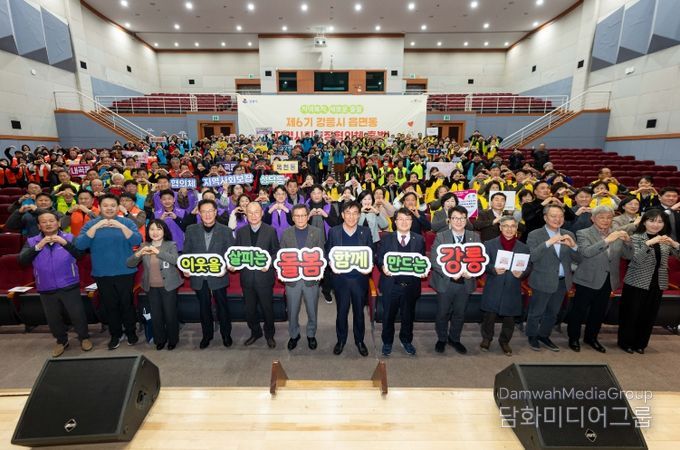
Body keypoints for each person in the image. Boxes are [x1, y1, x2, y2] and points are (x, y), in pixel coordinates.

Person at [18, 210, 92, 357]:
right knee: (53, 318)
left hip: (69, 284)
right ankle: (61, 341)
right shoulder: (32, 241)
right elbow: (22, 260)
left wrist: (65, 244)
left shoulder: (70, 237)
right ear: (39, 226)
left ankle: (84, 338)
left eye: (51, 221)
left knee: (77, 314)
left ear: (58, 223)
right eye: (44, 222)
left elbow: (80, 254)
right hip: (45, 286)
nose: (48, 224)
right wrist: (38, 246)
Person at [75, 194, 142, 350]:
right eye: (105, 205)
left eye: (113, 205)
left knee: (127, 304)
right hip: (102, 273)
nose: (109, 208)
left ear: (118, 207)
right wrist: (96, 227)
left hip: (125, 271)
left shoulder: (126, 222)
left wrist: (121, 226)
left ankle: (131, 332)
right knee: (110, 306)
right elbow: (80, 245)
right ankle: (115, 334)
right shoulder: (91, 224)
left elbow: (137, 241)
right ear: (99, 207)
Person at [568, 206, 632, 353]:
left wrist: (628, 242)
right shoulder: (583, 233)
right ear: (593, 219)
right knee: (579, 311)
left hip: (608, 279)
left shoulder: (616, 233)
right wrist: (606, 241)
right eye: (601, 217)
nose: (605, 220)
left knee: (599, 312)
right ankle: (573, 338)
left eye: (609, 217)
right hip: (587, 278)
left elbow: (628, 255)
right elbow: (586, 252)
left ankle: (591, 338)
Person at [618, 209, 680, 353]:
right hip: (636, 281)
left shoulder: (664, 239)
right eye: (652, 221)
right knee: (631, 314)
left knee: (648, 315)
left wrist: (675, 244)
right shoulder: (635, 238)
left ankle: (640, 344)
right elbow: (635, 260)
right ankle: (625, 343)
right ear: (644, 222)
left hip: (658, 282)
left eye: (660, 222)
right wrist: (648, 243)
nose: (656, 224)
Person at [525, 204, 582, 351]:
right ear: (545, 218)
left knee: (553, 313)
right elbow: (532, 257)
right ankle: (532, 335)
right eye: (553, 216)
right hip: (542, 280)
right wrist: (549, 242)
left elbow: (578, 259)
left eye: (561, 216)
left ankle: (544, 335)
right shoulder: (535, 234)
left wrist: (574, 246)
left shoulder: (569, 234)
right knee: (536, 312)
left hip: (562, 281)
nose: (558, 219)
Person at [182, 199, 235, 349]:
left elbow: (230, 254)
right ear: (199, 213)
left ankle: (226, 334)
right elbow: (186, 252)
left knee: (222, 306)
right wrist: (186, 267)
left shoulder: (225, 230)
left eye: (210, 211)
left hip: (219, 275)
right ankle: (207, 335)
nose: (207, 214)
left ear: (216, 212)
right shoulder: (191, 229)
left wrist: (227, 267)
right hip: (199, 277)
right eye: (204, 211)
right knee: (203, 307)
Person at [430, 205, 481, 354]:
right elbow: (435, 260)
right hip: (446, 282)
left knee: (460, 313)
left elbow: (479, 259)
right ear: (449, 220)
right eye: (455, 218)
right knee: (442, 313)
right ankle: (442, 339)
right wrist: (449, 273)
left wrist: (472, 272)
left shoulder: (474, 236)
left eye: (462, 218)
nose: (459, 221)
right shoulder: (441, 236)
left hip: (465, 282)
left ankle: (455, 339)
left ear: (466, 219)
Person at [325, 201, 374, 356]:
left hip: (359, 279)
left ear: (359, 215)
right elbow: (328, 252)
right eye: (348, 213)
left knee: (359, 312)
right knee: (342, 311)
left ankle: (360, 340)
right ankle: (341, 340)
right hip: (341, 279)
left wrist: (370, 264)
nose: (351, 216)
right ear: (342, 215)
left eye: (355, 213)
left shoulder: (365, 232)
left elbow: (371, 252)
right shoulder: (334, 231)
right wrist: (330, 263)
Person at [127, 219, 183, 351]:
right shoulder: (144, 245)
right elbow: (130, 263)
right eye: (152, 229)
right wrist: (139, 253)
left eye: (159, 229)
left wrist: (158, 252)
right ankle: (160, 339)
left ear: (164, 231)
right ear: (148, 232)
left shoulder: (171, 245)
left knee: (170, 314)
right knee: (156, 315)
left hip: (169, 285)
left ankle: (173, 339)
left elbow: (176, 260)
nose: (155, 232)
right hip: (151, 287)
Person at [377, 208, 426, 356]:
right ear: (395, 222)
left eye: (408, 219)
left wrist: (422, 270)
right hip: (391, 285)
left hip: (411, 285)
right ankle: (387, 342)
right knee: (388, 316)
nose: (404, 222)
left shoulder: (419, 239)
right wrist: (383, 266)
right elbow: (379, 258)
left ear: (412, 222)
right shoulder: (386, 238)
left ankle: (406, 340)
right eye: (401, 219)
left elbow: (421, 260)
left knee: (408, 316)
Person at [479, 216, 529, 356]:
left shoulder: (524, 247)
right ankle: (487, 339)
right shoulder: (489, 244)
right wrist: (492, 269)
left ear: (516, 228)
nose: (509, 229)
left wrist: (523, 273)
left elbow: (529, 266)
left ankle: (505, 341)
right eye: (506, 226)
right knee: (489, 316)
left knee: (510, 317)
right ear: (500, 227)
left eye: (513, 226)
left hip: (512, 286)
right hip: (494, 285)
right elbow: (482, 263)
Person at [279, 204, 325, 351]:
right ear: (292, 218)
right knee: (292, 310)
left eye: (303, 215)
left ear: (308, 216)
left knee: (312, 309)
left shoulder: (317, 232)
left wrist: (319, 273)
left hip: (311, 278)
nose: (300, 219)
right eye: (297, 216)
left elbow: (321, 254)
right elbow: (281, 255)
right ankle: (294, 335)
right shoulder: (286, 233)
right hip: (292, 279)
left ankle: (311, 334)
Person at [235, 201, 280, 348]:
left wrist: (269, 263)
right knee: (250, 310)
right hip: (247, 278)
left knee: (267, 309)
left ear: (262, 213)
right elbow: (236, 253)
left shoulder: (270, 231)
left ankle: (269, 334)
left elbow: (276, 253)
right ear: (246, 214)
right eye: (250, 213)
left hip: (264, 278)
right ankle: (255, 332)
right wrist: (233, 263)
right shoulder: (240, 232)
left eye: (256, 212)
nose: (253, 215)